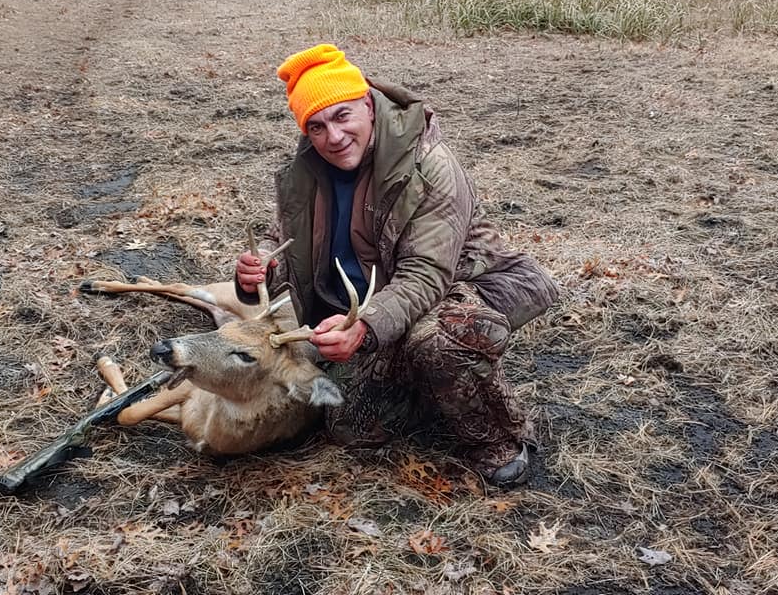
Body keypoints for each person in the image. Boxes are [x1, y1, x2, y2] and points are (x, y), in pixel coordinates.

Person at [234, 44, 559, 487]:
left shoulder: (429, 165)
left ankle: (498, 440)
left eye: (343, 116)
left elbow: (426, 275)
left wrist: (366, 328)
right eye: (317, 126)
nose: (333, 137)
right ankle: (427, 381)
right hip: (380, 299)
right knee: (351, 427)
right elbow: (284, 243)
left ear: (368, 104)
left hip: (471, 284)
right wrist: (259, 275)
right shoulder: (306, 173)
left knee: (440, 342)